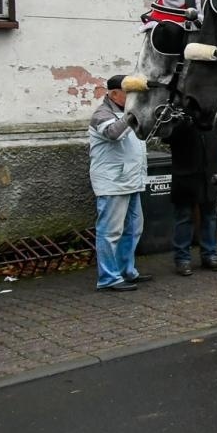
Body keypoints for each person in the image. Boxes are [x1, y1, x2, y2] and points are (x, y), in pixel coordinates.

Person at [89, 75, 149, 292]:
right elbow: (113, 133)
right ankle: (108, 278)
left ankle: (126, 271)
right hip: (113, 182)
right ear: (114, 94)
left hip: (131, 179)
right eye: (129, 94)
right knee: (110, 231)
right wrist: (133, 115)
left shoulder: (126, 112)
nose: (134, 99)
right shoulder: (101, 114)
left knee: (133, 228)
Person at [167, 117, 217, 275]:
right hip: (185, 175)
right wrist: (181, 122)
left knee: (210, 216)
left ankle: (210, 255)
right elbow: (167, 137)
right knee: (184, 217)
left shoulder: (212, 116)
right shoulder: (179, 115)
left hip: (210, 175)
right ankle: (182, 259)